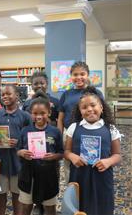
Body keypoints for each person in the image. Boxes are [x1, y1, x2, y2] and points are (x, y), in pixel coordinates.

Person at [64, 86, 121, 215]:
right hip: (79, 176)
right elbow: (66, 152)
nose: (89, 109)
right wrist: (72, 157)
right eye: (84, 107)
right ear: (80, 110)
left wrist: (108, 161)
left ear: (101, 107)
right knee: (79, 207)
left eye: (93, 105)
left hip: (102, 177)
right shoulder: (74, 127)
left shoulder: (110, 129)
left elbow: (117, 155)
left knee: (102, 208)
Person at [17, 90, 63, 215]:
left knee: (49, 207)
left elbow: (61, 152)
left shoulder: (55, 132)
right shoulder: (25, 131)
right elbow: (18, 150)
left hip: (48, 175)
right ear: (30, 114)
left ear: (49, 112)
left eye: (42, 113)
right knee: (26, 206)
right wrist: (22, 152)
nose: (39, 116)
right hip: (28, 175)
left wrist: (54, 156)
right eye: (35, 113)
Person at [57, 61, 103, 182]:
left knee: (90, 163)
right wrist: (59, 136)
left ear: (88, 75)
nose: (78, 77)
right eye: (75, 74)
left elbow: (103, 114)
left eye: (82, 74)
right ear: (71, 76)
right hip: (69, 134)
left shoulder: (96, 93)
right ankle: (72, 190)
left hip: (91, 134)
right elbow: (60, 118)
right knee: (69, 164)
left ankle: (89, 190)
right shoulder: (66, 94)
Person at [0, 85, 32, 215]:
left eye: (9, 94)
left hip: (18, 163)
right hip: (0, 162)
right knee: (0, 193)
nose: (5, 97)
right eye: (3, 95)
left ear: (17, 96)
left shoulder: (25, 116)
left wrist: (19, 143)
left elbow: (31, 138)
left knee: (16, 194)